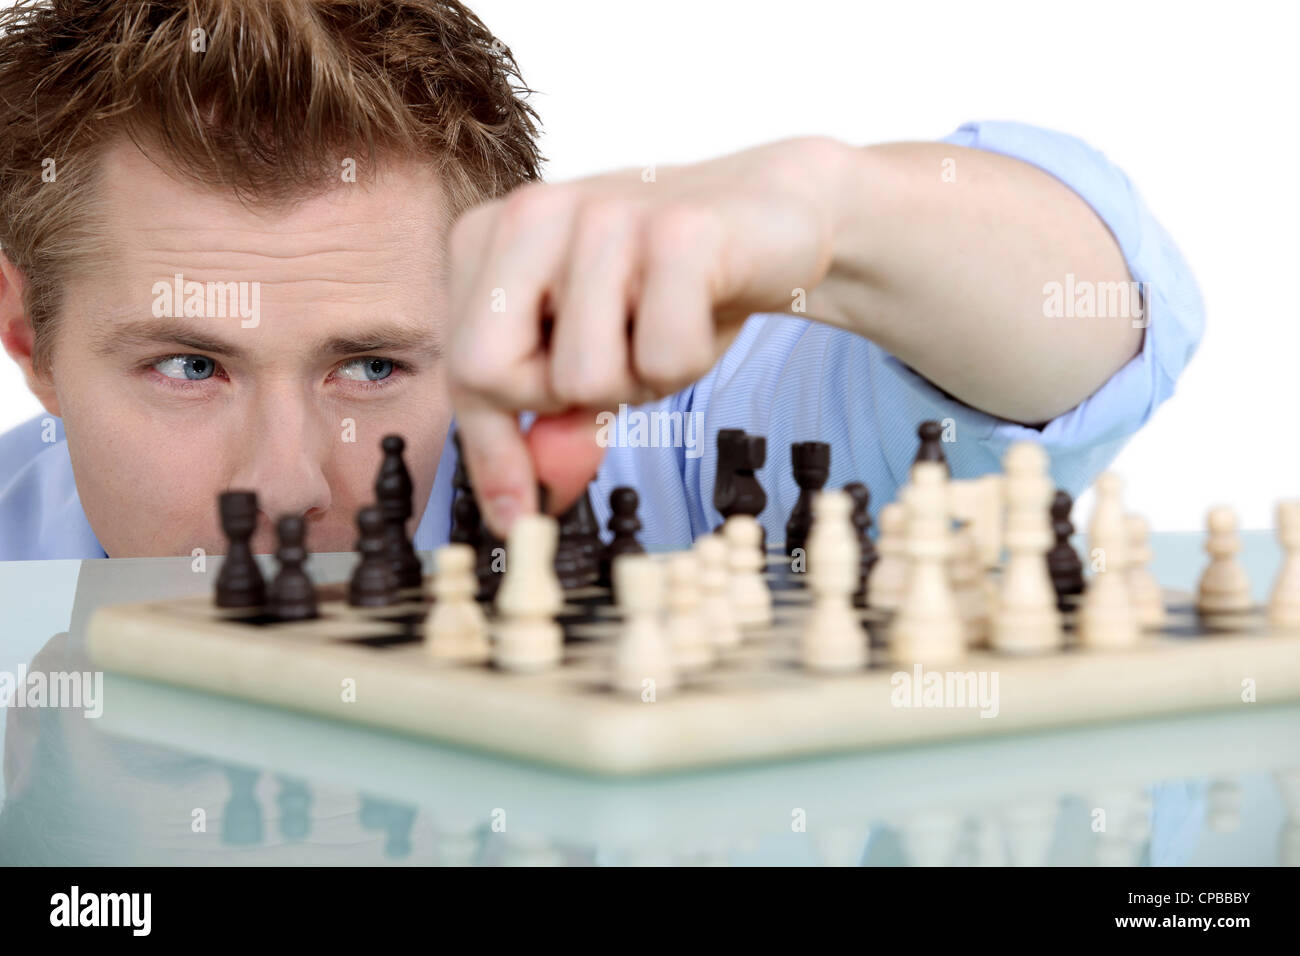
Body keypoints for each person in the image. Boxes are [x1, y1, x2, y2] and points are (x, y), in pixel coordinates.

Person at [0, 0, 1203, 561]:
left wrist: (833, 212)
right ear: (29, 341)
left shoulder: (655, 457)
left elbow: (1076, 345)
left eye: (372, 363)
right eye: (188, 366)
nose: (287, 482)